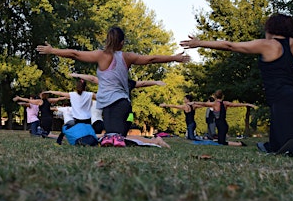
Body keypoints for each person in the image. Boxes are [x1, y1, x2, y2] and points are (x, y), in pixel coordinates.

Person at [180, 14, 293, 155]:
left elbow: (229, 46)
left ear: (270, 28)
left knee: (289, 149)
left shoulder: (266, 44)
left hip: (281, 102)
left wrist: (200, 43)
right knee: (278, 146)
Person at [37, 27, 189, 147]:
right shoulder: (127, 56)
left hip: (115, 105)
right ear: (121, 42)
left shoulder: (101, 55)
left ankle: (155, 142)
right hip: (118, 105)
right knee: (113, 138)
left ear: (107, 40)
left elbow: (75, 54)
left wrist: (53, 51)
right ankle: (152, 141)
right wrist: (174, 58)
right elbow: (152, 59)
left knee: (115, 138)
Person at [191, 90, 256, 146]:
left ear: (215, 96)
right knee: (220, 141)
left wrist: (193, 102)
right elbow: (237, 105)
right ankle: (238, 143)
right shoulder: (225, 103)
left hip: (221, 125)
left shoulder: (214, 104)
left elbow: (203, 103)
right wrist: (248, 104)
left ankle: (239, 144)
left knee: (221, 142)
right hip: (223, 124)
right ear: (222, 96)